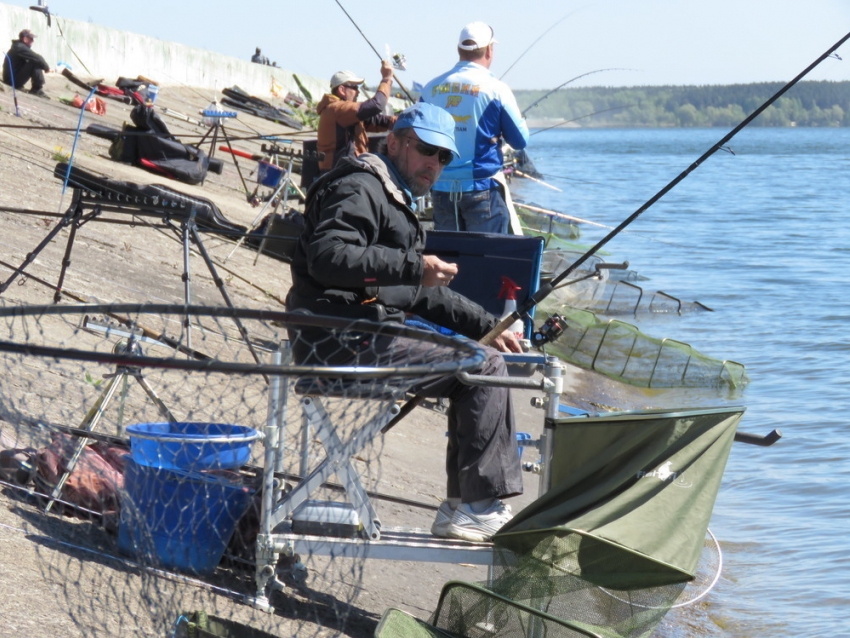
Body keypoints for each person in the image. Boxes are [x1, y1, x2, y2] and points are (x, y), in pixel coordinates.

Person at [287, 102, 524, 542]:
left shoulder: (391, 197)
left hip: (361, 332)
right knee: (485, 367)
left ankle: (462, 507)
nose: (434, 163)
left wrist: (493, 324)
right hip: (340, 340)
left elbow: (421, 292)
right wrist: (412, 268)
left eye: (443, 157)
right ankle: (476, 506)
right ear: (394, 142)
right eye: (426, 150)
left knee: (484, 356)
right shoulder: (361, 187)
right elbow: (327, 257)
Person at [421, 22, 529, 234]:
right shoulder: (497, 90)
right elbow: (520, 141)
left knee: (450, 261)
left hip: (441, 189)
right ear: (489, 50)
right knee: (488, 261)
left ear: (459, 50)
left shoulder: (431, 88)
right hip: (483, 189)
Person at [315, 61, 397, 176]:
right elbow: (376, 105)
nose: (358, 92)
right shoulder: (337, 109)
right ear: (342, 90)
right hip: (338, 173)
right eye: (354, 87)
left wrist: (400, 121)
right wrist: (387, 78)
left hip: (344, 170)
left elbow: (375, 120)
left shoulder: (344, 112)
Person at [3, 29, 50, 97]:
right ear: (25, 39)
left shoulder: (19, 47)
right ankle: (37, 89)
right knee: (35, 62)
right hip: (11, 81)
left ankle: (36, 88)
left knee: (35, 60)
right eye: (31, 39)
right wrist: (47, 68)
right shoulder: (19, 48)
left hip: (11, 79)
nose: (33, 41)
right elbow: (37, 58)